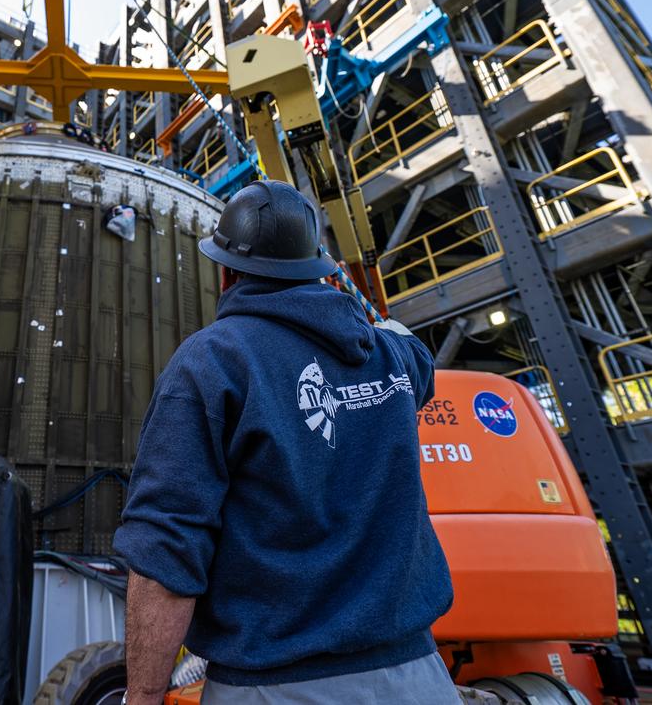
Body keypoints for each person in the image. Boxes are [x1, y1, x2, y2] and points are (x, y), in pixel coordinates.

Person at [113, 180, 458, 704]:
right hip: (420, 680)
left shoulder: (212, 363)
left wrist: (140, 695)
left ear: (225, 271)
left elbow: (167, 547)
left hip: (275, 689)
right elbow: (419, 359)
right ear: (317, 265)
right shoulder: (391, 357)